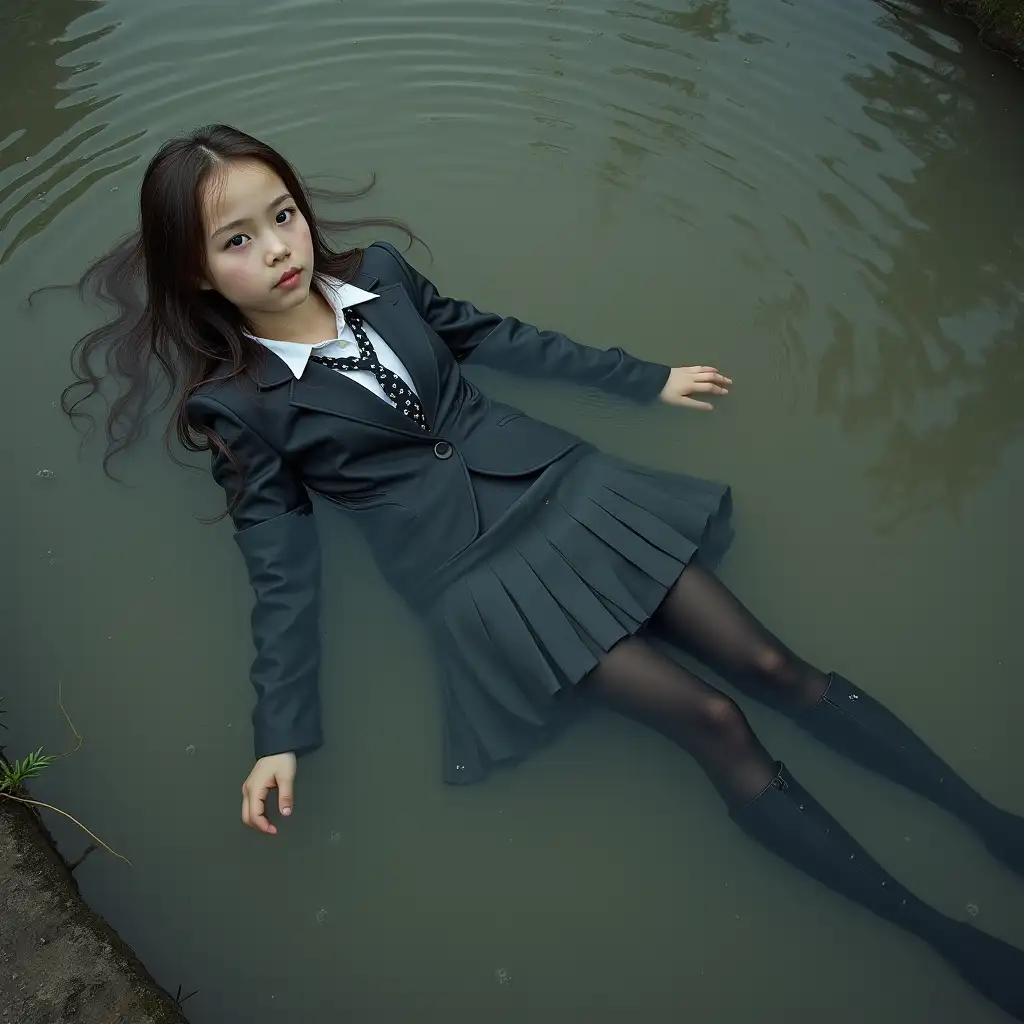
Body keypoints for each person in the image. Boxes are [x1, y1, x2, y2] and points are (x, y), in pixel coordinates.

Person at [63, 124, 1024, 1019]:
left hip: (576, 495)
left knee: (777, 671)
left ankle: (989, 823)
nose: (278, 248)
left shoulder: (384, 279)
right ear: (196, 274)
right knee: (717, 721)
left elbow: (495, 336)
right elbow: (278, 566)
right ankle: (944, 936)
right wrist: (282, 733)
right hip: (484, 585)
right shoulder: (240, 408)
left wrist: (644, 378)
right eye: (238, 241)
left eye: (282, 214)